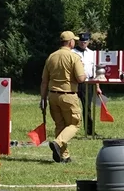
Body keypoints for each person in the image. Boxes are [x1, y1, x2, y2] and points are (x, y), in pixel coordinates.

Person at [41, 31, 86, 163]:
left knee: (60, 125)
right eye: (74, 41)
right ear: (70, 42)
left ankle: (64, 156)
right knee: (74, 124)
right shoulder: (74, 57)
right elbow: (81, 78)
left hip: (52, 95)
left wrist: (43, 99)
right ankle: (57, 142)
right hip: (68, 95)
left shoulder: (51, 57)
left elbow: (44, 81)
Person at [72, 31, 102, 135]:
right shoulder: (72, 52)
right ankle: (70, 129)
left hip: (88, 83)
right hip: (74, 82)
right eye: (81, 41)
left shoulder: (92, 54)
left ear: (88, 42)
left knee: (87, 107)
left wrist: (97, 86)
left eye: (85, 42)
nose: (83, 43)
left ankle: (90, 130)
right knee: (72, 107)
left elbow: (95, 71)